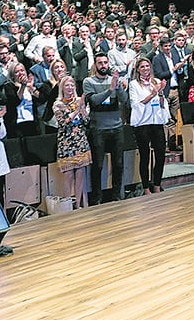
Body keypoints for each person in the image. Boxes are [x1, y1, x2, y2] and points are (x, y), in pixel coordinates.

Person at [84, 53, 128, 204]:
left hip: (116, 128)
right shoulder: (88, 81)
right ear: (95, 65)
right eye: (100, 63)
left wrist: (119, 87)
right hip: (98, 129)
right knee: (98, 165)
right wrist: (110, 89)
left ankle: (117, 196)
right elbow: (94, 101)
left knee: (118, 164)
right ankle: (96, 198)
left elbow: (124, 100)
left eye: (105, 62)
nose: (103, 65)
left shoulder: (113, 80)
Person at [128, 57, 168, 194]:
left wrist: (161, 93)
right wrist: (153, 94)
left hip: (156, 122)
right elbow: (136, 104)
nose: (146, 69)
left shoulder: (155, 82)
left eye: (147, 66)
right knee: (145, 157)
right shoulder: (134, 84)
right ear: (138, 69)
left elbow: (162, 104)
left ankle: (157, 184)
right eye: (142, 67)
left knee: (161, 154)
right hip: (142, 124)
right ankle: (146, 187)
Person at [53, 75, 91, 209]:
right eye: (67, 85)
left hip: (80, 141)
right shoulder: (58, 104)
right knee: (68, 174)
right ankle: (68, 204)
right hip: (66, 142)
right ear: (62, 88)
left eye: (71, 85)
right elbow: (63, 123)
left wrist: (83, 110)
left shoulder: (78, 101)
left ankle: (79, 204)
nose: (70, 88)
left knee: (80, 173)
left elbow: (86, 121)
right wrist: (76, 110)